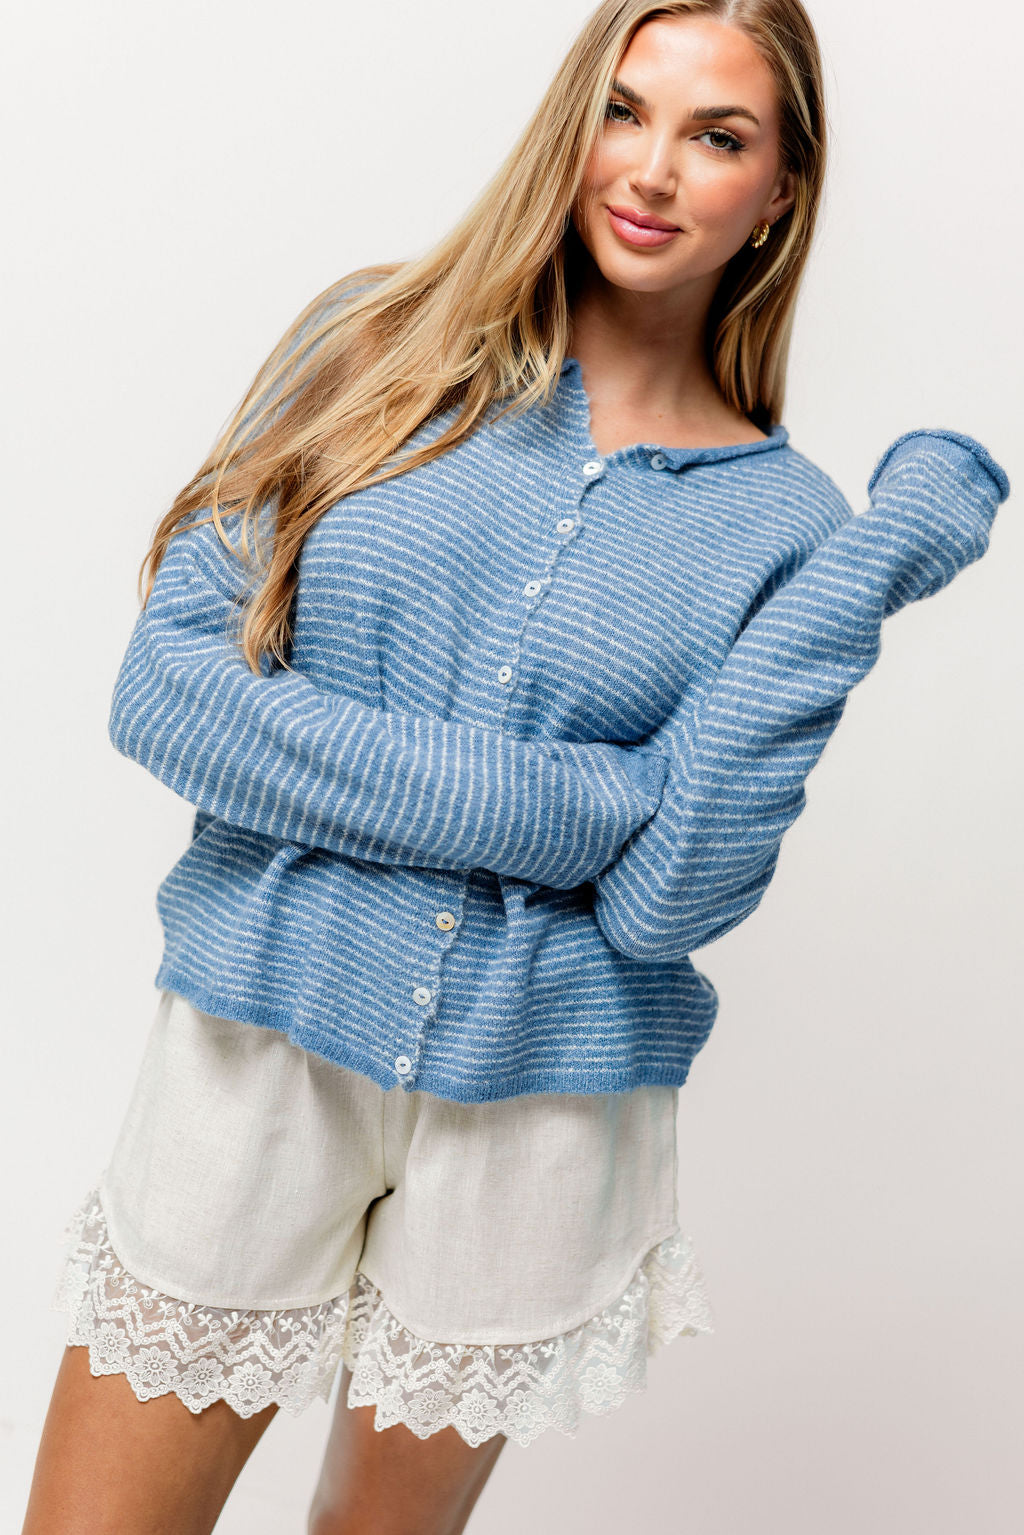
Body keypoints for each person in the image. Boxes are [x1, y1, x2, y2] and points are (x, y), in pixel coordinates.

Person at [22, 1, 1011, 1532]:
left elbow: (666, 900)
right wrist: (582, 805)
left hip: (538, 1106)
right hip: (257, 1045)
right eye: (624, 110)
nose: (654, 169)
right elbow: (171, 699)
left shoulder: (788, 529)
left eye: (717, 136)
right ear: (573, 123)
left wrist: (865, 570)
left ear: (780, 192)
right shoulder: (376, 346)